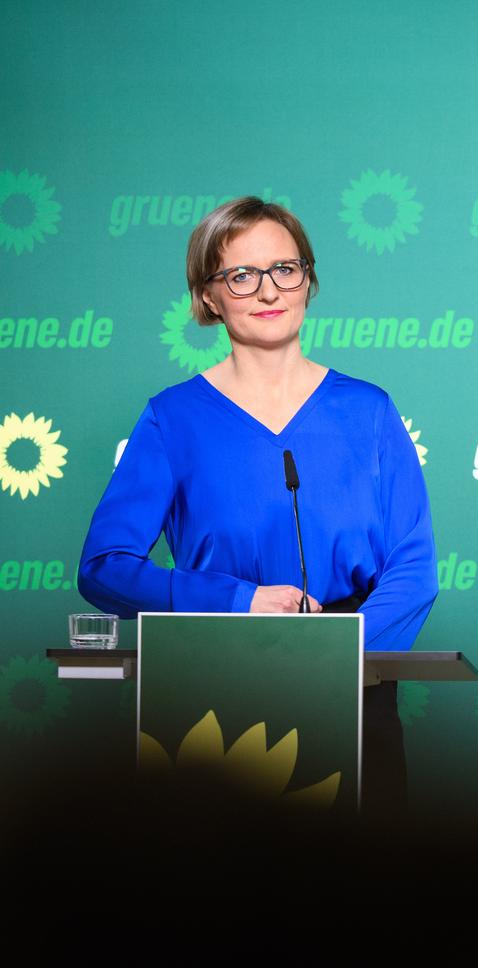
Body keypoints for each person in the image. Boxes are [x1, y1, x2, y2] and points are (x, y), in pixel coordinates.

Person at [78, 197, 437, 804]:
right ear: (209, 297)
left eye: (285, 269)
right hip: (214, 694)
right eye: (242, 275)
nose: (269, 290)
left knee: (364, 895)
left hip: (351, 690)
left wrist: (334, 653)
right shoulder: (173, 418)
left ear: (308, 280)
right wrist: (236, 601)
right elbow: (104, 568)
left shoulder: (369, 411)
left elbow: (414, 568)